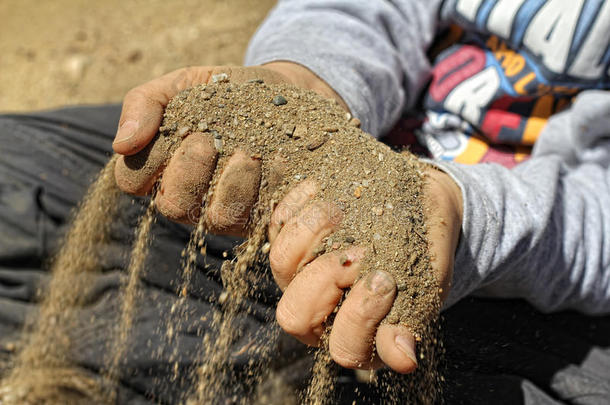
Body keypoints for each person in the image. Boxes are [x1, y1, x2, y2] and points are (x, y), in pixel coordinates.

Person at [1, 0, 609, 403]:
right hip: (315, 188)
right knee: (14, 174)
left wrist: (468, 220)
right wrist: (306, 89)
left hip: (518, 269)